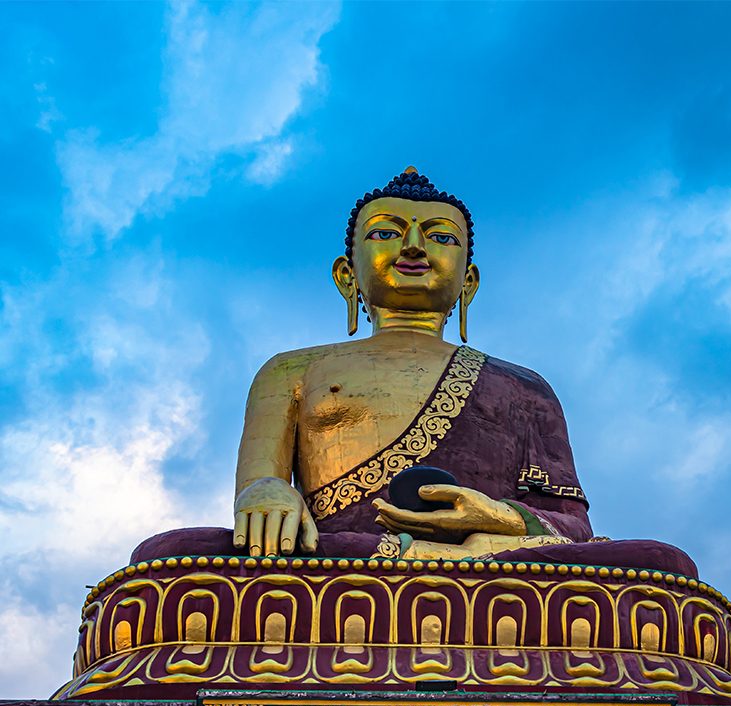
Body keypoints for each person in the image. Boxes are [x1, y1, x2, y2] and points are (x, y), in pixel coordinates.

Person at [133, 168, 696, 577]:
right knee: (167, 562)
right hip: (336, 562)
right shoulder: (292, 370)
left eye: (440, 238)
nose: (413, 247)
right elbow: (262, 484)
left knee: (663, 565)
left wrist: (496, 516)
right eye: (385, 232)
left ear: (468, 281)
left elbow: (571, 526)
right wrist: (265, 492)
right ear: (345, 274)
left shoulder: (523, 387)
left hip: (487, 562)